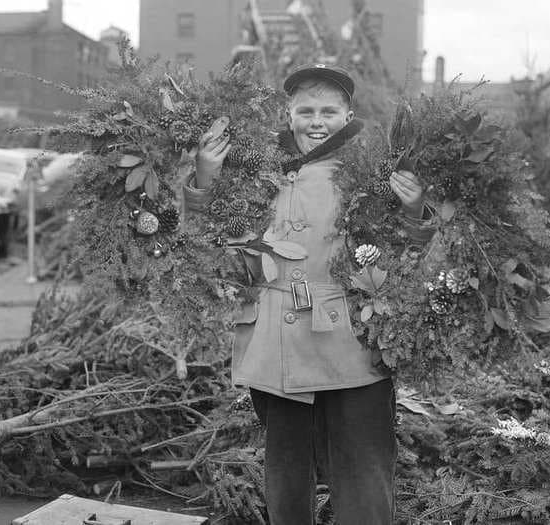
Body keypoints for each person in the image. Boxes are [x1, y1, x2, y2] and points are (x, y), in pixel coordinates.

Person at [183, 64, 434, 524]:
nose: (317, 121)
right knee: (286, 467)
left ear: (347, 114)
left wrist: (416, 207)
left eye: (328, 111)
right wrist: (204, 176)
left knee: (363, 464)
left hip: (351, 339)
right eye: (306, 111)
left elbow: (406, 249)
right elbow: (209, 235)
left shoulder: (370, 168)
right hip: (275, 337)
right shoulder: (257, 164)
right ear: (289, 112)